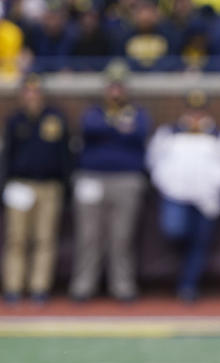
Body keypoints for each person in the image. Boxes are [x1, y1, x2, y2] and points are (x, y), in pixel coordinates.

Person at [146, 89, 220, 302]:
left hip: (207, 199)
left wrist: (215, 183)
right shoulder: (169, 133)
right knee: (175, 231)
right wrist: (167, 183)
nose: (195, 116)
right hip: (175, 196)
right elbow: (153, 161)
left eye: (199, 111)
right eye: (192, 110)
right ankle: (181, 273)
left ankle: (188, 286)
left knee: (200, 243)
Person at [69, 59, 150, 303]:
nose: (116, 91)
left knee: (121, 238)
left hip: (126, 180)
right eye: (112, 86)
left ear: (127, 89)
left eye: (120, 86)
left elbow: (138, 132)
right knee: (89, 236)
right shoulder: (93, 111)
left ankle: (122, 286)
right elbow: (90, 129)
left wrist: (112, 128)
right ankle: (83, 286)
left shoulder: (138, 113)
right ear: (105, 88)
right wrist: (117, 127)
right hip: (91, 178)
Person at [0, 73, 72, 305]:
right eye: (27, 92)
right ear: (21, 95)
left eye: (35, 91)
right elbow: (4, 156)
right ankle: (13, 288)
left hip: (49, 186)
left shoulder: (55, 118)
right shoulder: (14, 120)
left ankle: (40, 288)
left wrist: (66, 186)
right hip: (20, 185)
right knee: (16, 239)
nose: (32, 96)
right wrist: (1, 187)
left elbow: (65, 155)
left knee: (45, 238)